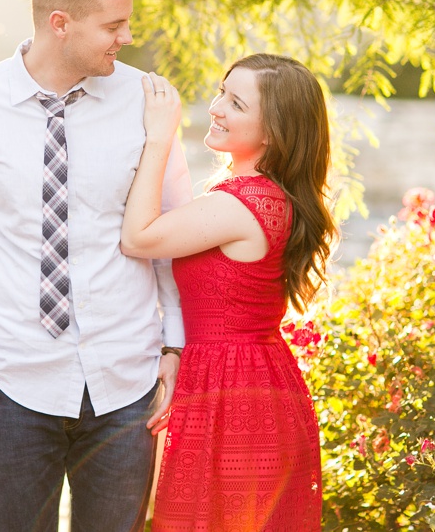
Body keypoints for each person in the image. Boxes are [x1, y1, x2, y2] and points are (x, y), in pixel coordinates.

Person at [0, 0, 193, 532]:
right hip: (15, 384)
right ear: (59, 24)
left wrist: (175, 346)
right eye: (113, 25)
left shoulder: (148, 100)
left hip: (128, 380)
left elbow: (173, 231)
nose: (125, 38)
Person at [121, 53, 336, 531]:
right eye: (222, 91)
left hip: (234, 395)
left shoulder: (243, 202)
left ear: (273, 133)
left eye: (236, 103)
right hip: (254, 382)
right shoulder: (266, 193)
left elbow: (136, 238)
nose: (216, 107)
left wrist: (159, 137)